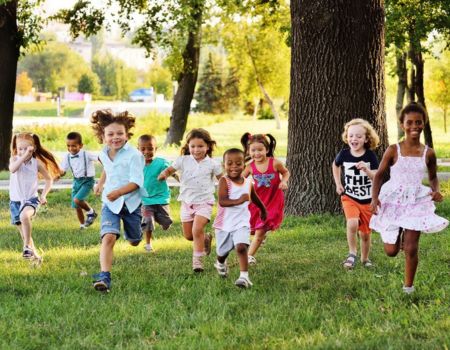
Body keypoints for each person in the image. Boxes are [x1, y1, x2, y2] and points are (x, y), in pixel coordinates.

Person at [370, 102, 448, 294]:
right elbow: (379, 175)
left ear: (424, 124)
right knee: (391, 251)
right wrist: (374, 199)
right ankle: (398, 233)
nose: (415, 126)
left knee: (411, 248)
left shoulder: (428, 153)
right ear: (402, 124)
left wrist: (435, 191)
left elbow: (432, 177)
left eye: (419, 122)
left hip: (416, 201)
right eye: (410, 122)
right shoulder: (393, 150)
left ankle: (408, 287)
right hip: (393, 199)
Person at [91, 110, 145, 292]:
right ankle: (104, 277)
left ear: (127, 134)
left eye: (120, 133)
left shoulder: (135, 155)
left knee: (135, 240)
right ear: (103, 136)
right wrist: (100, 183)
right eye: (111, 134)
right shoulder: (104, 153)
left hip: (131, 204)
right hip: (110, 203)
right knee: (109, 237)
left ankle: (139, 231)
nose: (116, 138)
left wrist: (119, 192)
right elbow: (108, 168)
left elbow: (137, 182)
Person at [158, 128, 222, 272]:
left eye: (200, 146)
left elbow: (222, 180)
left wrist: (229, 193)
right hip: (187, 203)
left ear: (207, 146)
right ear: (188, 146)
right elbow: (170, 170)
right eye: (193, 146)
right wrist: (164, 174)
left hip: (205, 202)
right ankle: (205, 238)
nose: (196, 149)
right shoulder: (183, 160)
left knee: (196, 229)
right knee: (189, 236)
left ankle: (197, 263)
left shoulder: (212, 164)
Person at [213, 148, 267, 288]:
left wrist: (263, 209)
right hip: (224, 224)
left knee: (241, 247)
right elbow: (222, 201)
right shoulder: (224, 181)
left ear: (244, 164)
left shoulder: (248, 182)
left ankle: (244, 277)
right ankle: (220, 263)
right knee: (222, 252)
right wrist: (239, 200)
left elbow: (254, 197)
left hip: (242, 222)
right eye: (229, 163)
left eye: (238, 163)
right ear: (223, 165)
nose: (234, 167)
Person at [332, 119, 380, 269]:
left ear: (366, 139)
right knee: (352, 223)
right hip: (349, 197)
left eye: (359, 136)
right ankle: (352, 253)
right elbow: (335, 165)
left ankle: (365, 259)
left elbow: (377, 176)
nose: (354, 139)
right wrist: (338, 184)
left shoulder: (370, 156)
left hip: (367, 200)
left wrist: (366, 169)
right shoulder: (344, 154)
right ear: (347, 137)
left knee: (365, 234)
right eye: (351, 135)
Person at [9, 132, 60, 262]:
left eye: (26, 149)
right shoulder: (14, 159)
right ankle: (36, 257)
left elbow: (49, 180)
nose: (23, 152)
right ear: (16, 149)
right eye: (20, 149)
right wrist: (23, 155)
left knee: (24, 216)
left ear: (33, 149)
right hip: (15, 202)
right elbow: (13, 169)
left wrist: (43, 195)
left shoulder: (36, 163)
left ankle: (26, 247)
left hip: (31, 199)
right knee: (24, 233)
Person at [241, 133, 290, 265]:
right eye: (253, 150)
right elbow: (240, 179)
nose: (257, 153)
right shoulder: (250, 166)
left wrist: (284, 181)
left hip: (273, 200)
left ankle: (249, 256)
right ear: (248, 151)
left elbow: (286, 172)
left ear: (267, 150)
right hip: (257, 201)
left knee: (261, 228)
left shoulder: (274, 163)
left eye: (260, 150)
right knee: (255, 226)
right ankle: (261, 235)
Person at [138, 134, 173, 252]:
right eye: (143, 149)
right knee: (147, 220)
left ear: (155, 149)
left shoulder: (161, 162)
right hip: (146, 200)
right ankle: (148, 244)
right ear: (138, 149)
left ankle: (163, 222)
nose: (146, 152)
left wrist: (180, 180)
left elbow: (172, 171)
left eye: (150, 149)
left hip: (161, 198)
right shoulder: (137, 165)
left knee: (166, 222)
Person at [60, 132, 98, 229]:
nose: (71, 148)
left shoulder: (86, 154)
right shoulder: (67, 156)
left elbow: (99, 158)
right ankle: (83, 225)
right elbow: (63, 170)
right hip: (76, 181)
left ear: (80, 145)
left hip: (87, 181)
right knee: (76, 206)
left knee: (77, 200)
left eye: (74, 146)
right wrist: (57, 175)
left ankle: (91, 212)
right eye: (68, 146)